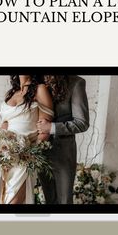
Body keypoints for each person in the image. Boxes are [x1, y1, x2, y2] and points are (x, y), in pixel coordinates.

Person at [0, 75, 53, 204]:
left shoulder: (40, 89)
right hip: (6, 156)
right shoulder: (11, 93)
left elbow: (44, 131)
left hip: (25, 157)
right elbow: (4, 124)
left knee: (14, 202)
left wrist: (30, 155)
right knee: (3, 200)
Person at [37, 75, 89, 204]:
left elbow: (82, 123)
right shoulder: (36, 80)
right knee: (48, 198)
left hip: (63, 152)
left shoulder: (76, 83)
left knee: (64, 200)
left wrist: (52, 127)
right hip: (39, 152)